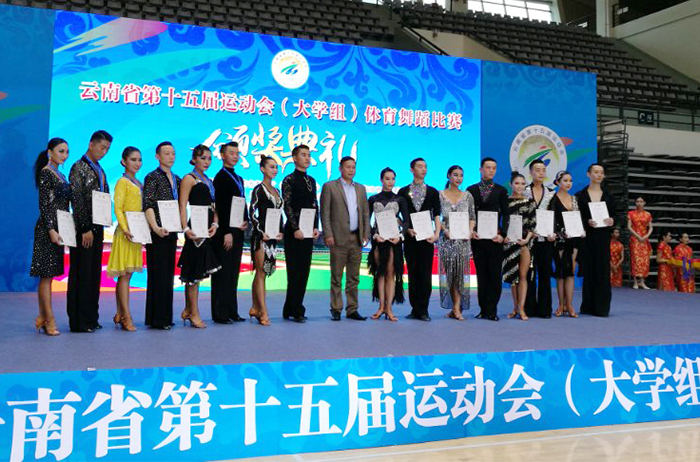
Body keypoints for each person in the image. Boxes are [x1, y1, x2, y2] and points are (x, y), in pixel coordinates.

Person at [67, 130, 112, 333]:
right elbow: (77, 199)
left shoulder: (99, 169)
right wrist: (84, 227)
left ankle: (91, 317)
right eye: (102, 147)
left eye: (107, 149)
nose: (104, 152)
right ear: (91, 144)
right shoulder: (79, 167)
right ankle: (79, 321)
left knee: (94, 274)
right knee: (82, 274)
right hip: (84, 229)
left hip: (98, 227)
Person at [320, 156, 371, 321]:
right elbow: (324, 213)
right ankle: (336, 309)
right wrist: (328, 234)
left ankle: (352, 309)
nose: (351, 170)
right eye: (348, 167)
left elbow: (365, 213)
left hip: (356, 238)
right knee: (336, 277)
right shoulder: (329, 187)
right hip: (337, 238)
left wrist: (366, 233)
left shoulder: (361, 188)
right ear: (340, 169)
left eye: (353, 167)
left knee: (353, 277)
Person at [30, 138, 70, 336]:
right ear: (50, 152)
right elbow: (44, 204)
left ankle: (42, 316)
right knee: (46, 276)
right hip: (48, 230)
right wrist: (51, 229)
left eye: (67, 152)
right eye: (61, 151)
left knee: (50, 275)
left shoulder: (60, 174)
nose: (65, 155)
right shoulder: (46, 172)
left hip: (60, 228)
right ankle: (49, 320)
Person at [178, 145, 221, 328]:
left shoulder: (209, 180)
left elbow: (214, 206)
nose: (207, 162)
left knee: (198, 272)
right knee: (193, 272)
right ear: (194, 159)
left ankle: (188, 310)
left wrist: (215, 223)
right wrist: (185, 228)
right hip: (195, 228)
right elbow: (182, 205)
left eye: (209, 158)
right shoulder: (189, 178)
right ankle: (194, 313)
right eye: (203, 158)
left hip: (207, 227)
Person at [143, 141, 181, 330]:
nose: (171, 157)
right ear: (157, 156)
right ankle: (157, 318)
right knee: (157, 275)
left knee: (168, 276)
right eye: (167, 153)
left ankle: (165, 316)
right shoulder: (152, 177)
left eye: (173, 153)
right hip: (157, 233)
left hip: (172, 231)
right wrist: (156, 227)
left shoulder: (177, 179)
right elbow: (148, 204)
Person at [398, 158, 441, 322]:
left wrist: (436, 234)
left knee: (425, 274)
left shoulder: (432, 191)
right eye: (420, 166)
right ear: (412, 169)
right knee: (413, 273)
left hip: (427, 238)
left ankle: (423, 309)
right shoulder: (403, 191)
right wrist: (405, 228)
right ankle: (414, 308)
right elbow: (395, 214)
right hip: (410, 238)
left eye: (425, 167)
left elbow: (437, 214)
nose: (423, 169)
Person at [467, 157, 509, 321]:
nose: (491, 170)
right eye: (488, 167)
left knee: (494, 275)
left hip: (494, 239)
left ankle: (492, 310)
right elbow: (468, 214)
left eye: (494, 168)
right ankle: (483, 309)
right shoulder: (471, 190)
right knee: (482, 275)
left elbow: (506, 215)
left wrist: (503, 234)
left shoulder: (501, 190)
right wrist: (471, 231)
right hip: (478, 239)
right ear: (481, 169)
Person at [106, 147, 144, 332]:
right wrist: (126, 228)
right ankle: (126, 317)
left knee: (127, 275)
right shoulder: (122, 182)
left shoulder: (138, 182)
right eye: (133, 160)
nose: (137, 163)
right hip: (126, 232)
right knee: (124, 275)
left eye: (139, 160)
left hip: (136, 232)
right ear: (124, 161)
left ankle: (120, 313)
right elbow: (118, 208)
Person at [281, 145, 320, 323]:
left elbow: (314, 204)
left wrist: (315, 226)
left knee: (304, 271)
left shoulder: (311, 180)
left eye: (309, 155)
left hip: (308, 231)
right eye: (303, 155)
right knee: (294, 271)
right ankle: (294, 309)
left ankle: (294, 307)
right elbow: (287, 205)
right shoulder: (289, 180)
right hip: (294, 232)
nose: (307, 158)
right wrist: (295, 227)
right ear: (295, 158)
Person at [211, 142, 248, 324]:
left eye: (237, 153)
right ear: (222, 155)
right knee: (223, 272)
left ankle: (232, 311)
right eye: (231, 153)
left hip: (237, 229)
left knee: (233, 272)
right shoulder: (220, 177)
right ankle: (220, 313)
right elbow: (221, 206)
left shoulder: (239, 178)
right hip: (225, 231)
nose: (235, 156)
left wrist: (245, 219)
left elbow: (242, 201)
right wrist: (225, 231)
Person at [368, 167, 409, 321]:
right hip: (379, 240)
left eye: (393, 179)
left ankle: (389, 309)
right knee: (380, 272)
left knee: (391, 273)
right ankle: (380, 307)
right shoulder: (373, 199)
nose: (390, 182)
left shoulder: (400, 199)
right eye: (387, 179)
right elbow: (367, 220)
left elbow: (406, 221)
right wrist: (374, 235)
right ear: (381, 180)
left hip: (394, 240)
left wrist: (400, 236)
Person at [575, 163, 616, 317]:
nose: (599, 175)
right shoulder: (580, 196)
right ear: (588, 174)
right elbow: (576, 216)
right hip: (587, 238)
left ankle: (602, 307)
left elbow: (616, 215)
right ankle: (588, 306)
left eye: (601, 173)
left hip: (603, 238)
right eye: (596, 172)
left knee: (602, 271)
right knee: (588, 270)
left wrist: (612, 220)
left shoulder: (609, 196)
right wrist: (586, 221)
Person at [249, 156, 284, 326]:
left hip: (273, 238)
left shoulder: (276, 191)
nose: (274, 170)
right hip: (261, 237)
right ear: (262, 169)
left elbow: (279, 215)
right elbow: (252, 212)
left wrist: (280, 231)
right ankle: (263, 311)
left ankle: (255, 307)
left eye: (276, 167)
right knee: (261, 272)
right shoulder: (258, 189)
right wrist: (260, 232)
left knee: (263, 272)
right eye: (271, 167)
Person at [438, 165, 475, 320]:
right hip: (447, 240)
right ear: (448, 176)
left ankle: (456, 308)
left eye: (461, 175)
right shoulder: (440, 195)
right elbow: (435, 217)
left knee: (460, 274)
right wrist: (445, 230)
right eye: (455, 175)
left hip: (462, 240)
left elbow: (472, 217)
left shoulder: (467, 196)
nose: (458, 178)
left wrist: (470, 231)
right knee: (450, 275)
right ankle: (454, 307)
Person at [523, 159, 557, 318]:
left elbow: (555, 215)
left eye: (543, 170)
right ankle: (528, 308)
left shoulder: (551, 192)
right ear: (530, 172)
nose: (541, 173)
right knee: (529, 274)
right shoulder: (524, 191)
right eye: (537, 170)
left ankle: (545, 309)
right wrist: (526, 231)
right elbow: (519, 214)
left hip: (545, 240)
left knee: (545, 274)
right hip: (527, 240)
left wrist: (553, 232)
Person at [503, 172, 536, 321]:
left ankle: (522, 308)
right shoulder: (505, 201)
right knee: (513, 278)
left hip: (524, 243)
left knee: (523, 276)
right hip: (509, 243)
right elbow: (501, 221)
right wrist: (504, 236)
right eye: (517, 183)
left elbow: (532, 224)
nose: (520, 186)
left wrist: (526, 240)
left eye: (523, 184)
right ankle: (515, 307)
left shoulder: (530, 202)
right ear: (511, 184)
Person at [550, 171, 580, 318]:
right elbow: (551, 220)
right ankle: (561, 304)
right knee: (560, 272)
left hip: (573, 239)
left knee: (570, 271)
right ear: (558, 182)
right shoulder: (552, 199)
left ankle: (570, 305)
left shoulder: (574, 199)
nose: (568, 183)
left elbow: (578, 218)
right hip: (559, 240)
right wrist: (559, 233)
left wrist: (580, 230)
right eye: (565, 180)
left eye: (570, 180)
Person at [627, 196, 653, 289]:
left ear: (644, 203)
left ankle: (642, 282)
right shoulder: (631, 213)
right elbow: (629, 227)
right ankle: (635, 281)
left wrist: (646, 236)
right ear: (635, 203)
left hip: (644, 239)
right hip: (635, 239)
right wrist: (638, 236)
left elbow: (651, 227)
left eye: (641, 201)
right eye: (637, 201)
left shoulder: (648, 214)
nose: (639, 203)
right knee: (635, 259)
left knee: (645, 260)